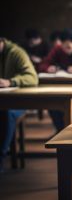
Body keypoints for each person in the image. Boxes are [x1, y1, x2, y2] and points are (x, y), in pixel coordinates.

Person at [0, 37, 38, 172]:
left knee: (5, 113)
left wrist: (11, 82)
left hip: (17, 102)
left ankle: (1, 156)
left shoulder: (17, 53)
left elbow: (32, 78)